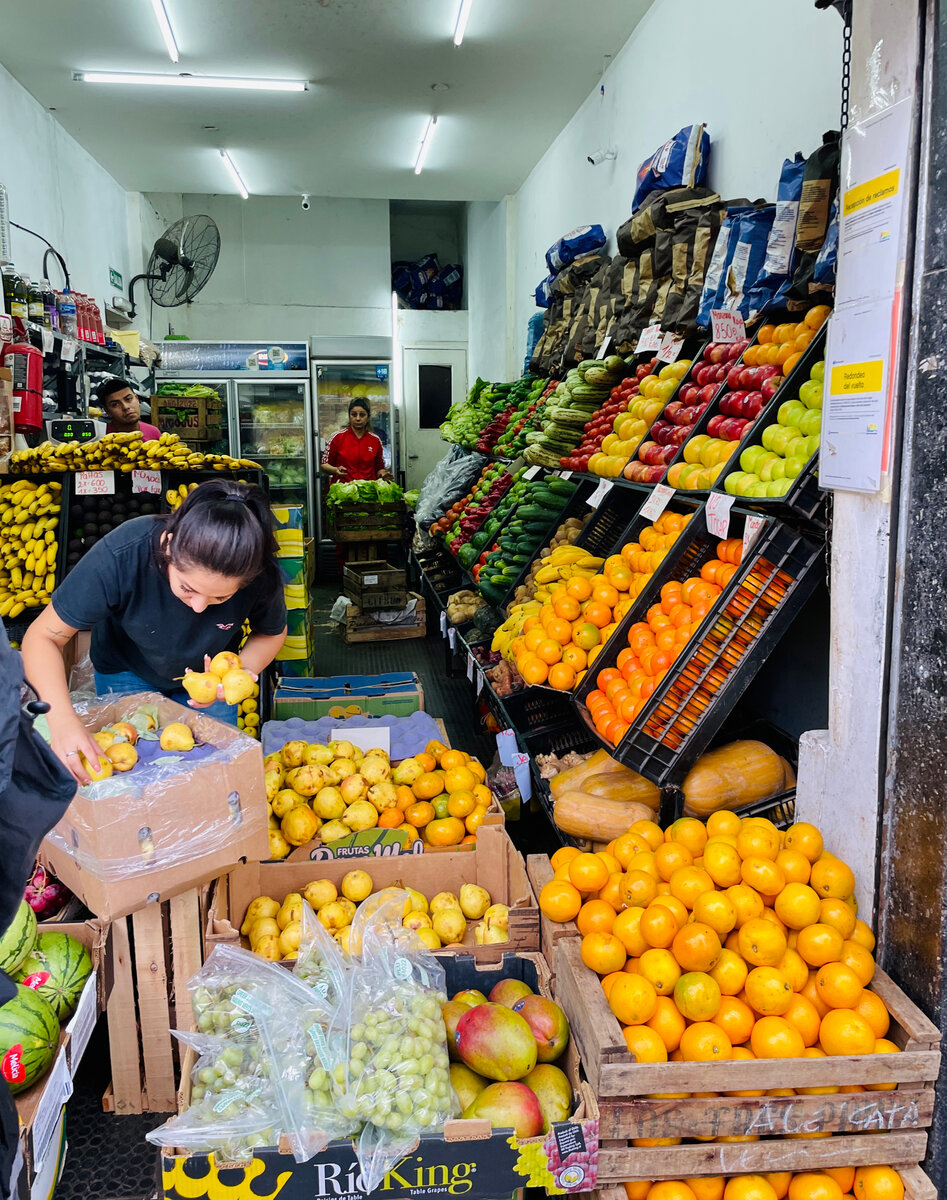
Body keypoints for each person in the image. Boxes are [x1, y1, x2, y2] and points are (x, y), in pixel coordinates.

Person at [21, 480, 287, 784]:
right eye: (187, 588)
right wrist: (63, 721)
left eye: (220, 599)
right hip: (127, 668)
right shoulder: (123, 553)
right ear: (168, 545)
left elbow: (271, 632)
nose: (200, 607)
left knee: (212, 778)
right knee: (135, 780)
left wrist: (240, 673)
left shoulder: (259, 572)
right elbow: (43, 636)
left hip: (208, 682)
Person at [321, 399, 392, 482]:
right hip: (344, 491)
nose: (358, 418)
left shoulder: (375, 440)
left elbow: (380, 468)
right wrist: (335, 470)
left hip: (368, 491)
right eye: (354, 415)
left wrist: (384, 475)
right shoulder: (337, 437)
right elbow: (324, 464)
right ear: (349, 416)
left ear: (368, 417)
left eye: (362, 415)